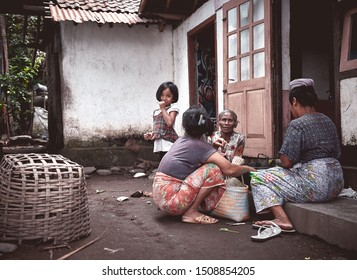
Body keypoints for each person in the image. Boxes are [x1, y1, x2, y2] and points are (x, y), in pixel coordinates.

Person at [250, 78, 344, 232]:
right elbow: (337, 153)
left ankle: (281, 218)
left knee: (259, 178)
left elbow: (286, 162)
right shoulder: (328, 120)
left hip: (317, 186)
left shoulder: (297, 124)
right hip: (336, 184)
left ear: (294, 101)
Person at [152, 106, 256, 224]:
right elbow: (229, 170)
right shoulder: (200, 145)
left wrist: (213, 148)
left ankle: (190, 209)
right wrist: (248, 168)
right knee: (213, 169)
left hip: (162, 199)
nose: (226, 123)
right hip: (173, 203)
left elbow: (197, 158)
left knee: (210, 168)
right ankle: (191, 212)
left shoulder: (182, 140)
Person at [144, 82, 179, 160]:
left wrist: (163, 109)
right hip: (160, 144)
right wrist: (152, 134)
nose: (164, 98)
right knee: (162, 161)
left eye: (168, 96)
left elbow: (169, 123)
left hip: (169, 143)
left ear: (173, 98)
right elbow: (158, 128)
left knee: (168, 161)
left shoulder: (172, 109)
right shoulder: (156, 112)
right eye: (162, 95)